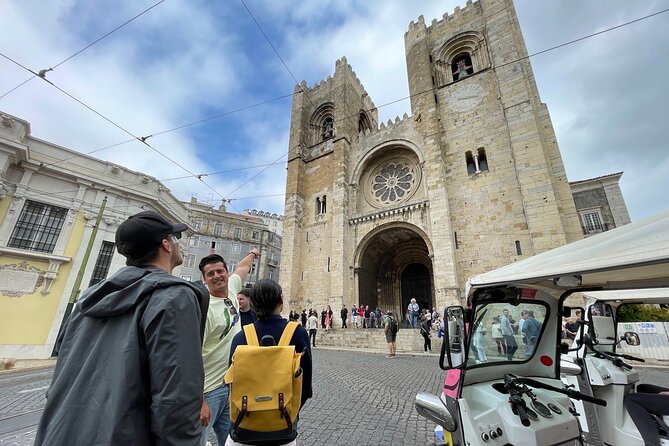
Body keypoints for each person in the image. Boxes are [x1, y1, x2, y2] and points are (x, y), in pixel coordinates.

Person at [35, 211, 208, 445]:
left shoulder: (87, 300)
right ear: (166, 245)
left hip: (60, 433)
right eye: (174, 238)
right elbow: (175, 400)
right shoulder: (174, 297)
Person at [228, 279, 313, 446]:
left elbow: (231, 382)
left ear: (252, 303)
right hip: (283, 428)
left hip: (244, 427)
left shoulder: (241, 336)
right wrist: (287, 411)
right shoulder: (298, 334)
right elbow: (306, 388)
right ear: (281, 301)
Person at [199, 249, 259, 446]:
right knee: (197, 441)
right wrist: (200, 401)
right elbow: (191, 358)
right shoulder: (205, 310)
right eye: (210, 274)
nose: (217, 276)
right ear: (204, 279)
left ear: (226, 272)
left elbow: (242, 267)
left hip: (231, 385)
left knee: (232, 440)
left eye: (220, 271)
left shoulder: (232, 287)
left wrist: (252, 253)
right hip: (209, 391)